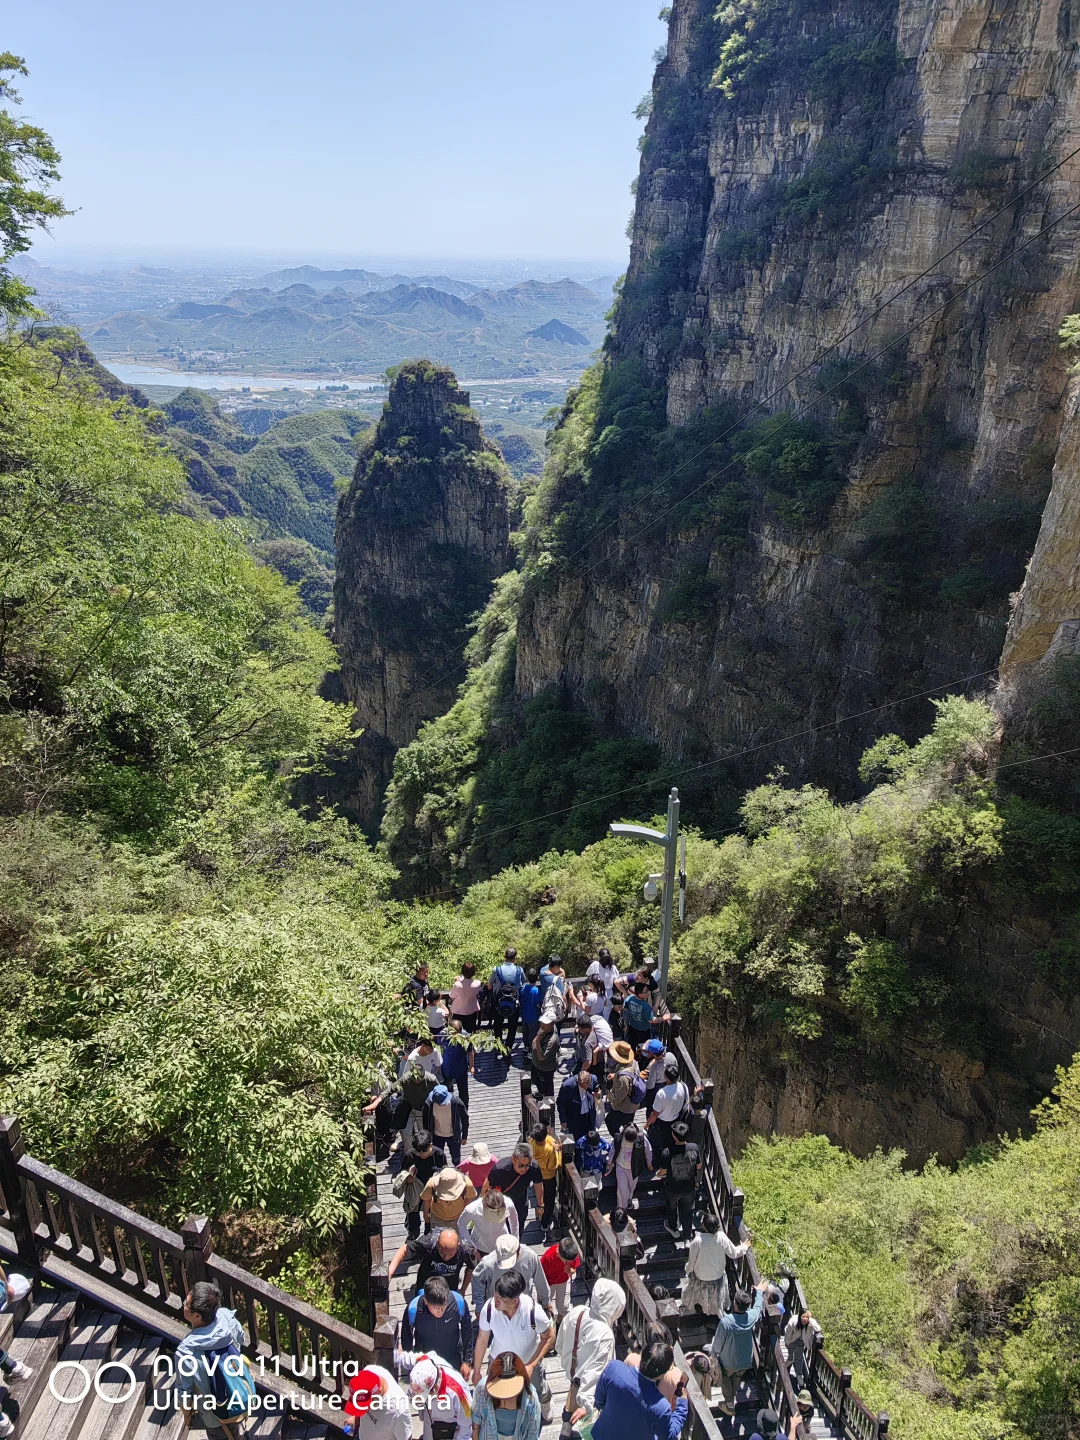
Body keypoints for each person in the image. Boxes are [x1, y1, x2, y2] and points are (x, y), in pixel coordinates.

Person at [474, 1273, 555, 1424]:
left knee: (537, 1389)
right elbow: (482, 1339)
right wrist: (477, 1371)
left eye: (502, 1299)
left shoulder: (533, 1312)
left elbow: (549, 1337)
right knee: (495, 1395)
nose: (496, 1301)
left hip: (528, 1361)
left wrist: (531, 1364)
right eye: (496, 1295)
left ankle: (546, 1400)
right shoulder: (489, 1309)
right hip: (499, 1360)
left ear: (515, 1301)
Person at [175, 1280, 247, 1434]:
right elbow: (241, 1338)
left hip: (214, 1415)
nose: (183, 1306)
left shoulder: (187, 1351)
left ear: (196, 1316)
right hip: (239, 1393)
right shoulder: (227, 1318)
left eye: (185, 1304)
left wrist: (187, 1415)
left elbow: (184, 1391)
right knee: (236, 1430)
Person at [554, 1278, 626, 1427]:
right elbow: (596, 1372)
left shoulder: (578, 1311)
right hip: (590, 1393)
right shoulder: (606, 1334)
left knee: (570, 1405)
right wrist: (588, 1405)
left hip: (573, 1375)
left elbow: (560, 1343)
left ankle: (566, 1428)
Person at [591, 1345, 688, 1440]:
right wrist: (682, 1405)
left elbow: (599, 1400)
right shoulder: (661, 1407)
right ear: (662, 1373)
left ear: (642, 1356)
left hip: (601, 1434)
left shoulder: (613, 1368)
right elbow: (668, 1435)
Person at [709, 1281, 768, 1415]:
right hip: (746, 1360)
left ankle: (729, 1404)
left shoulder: (726, 1322)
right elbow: (758, 1307)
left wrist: (713, 1355)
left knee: (725, 1378)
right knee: (737, 1376)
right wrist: (759, 1292)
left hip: (728, 1361)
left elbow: (717, 1345)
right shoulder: (751, 1317)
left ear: (735, 1303)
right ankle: (732, 1398)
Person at [399, 1276, 474, 1379]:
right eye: (436, 1307)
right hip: (425, 1360)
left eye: (444, 1306)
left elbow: (467, 1331)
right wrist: (411, 1365)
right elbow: (406, 1338)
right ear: (426, 1301)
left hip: (453, 1357)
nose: (440, 1311)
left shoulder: (458, 1302)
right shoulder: (413, 1309)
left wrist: (467, 1361)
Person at [683, 1212, 750, 1318]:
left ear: (703, 1225)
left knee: (700, 1297)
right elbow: (734, 1253)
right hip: (717, 1276)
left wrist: (689, 1270)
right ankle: (715, 1312)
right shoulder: (721, 1237)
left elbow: (692, 1261)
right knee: (717, 1298)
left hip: (702, 1276)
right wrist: (744, 1247)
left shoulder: (698, 1240)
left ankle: (702, 1310)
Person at [471, 1234, 551, 1312]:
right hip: (497, 1308)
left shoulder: (531, 1257)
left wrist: (546, 1302)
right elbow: (477, 1280)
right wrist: (479, 1306)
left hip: (523, 1306)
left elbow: (540, 1280)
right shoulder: (487, 1263)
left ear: (518, 1250)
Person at [471, 1352, 542, 1440]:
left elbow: (533, 1432)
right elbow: (476, 1416)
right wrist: (475, 1433)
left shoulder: (531, 1397)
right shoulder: (482, 1388)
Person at [387, 1227, 478, 1294]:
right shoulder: (428, 1243)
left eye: (450, 1253)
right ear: (437, 1243)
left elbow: (470, 1268)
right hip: (425, 1285)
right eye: (442, 1252)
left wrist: (463, 1289)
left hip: (449, 1287)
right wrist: (390, 1273)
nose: (445, 1257)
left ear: (458, 1246)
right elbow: (404, 1250)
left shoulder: (466, 1250)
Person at [393, 1129, 447, 1239]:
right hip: (415, 1188)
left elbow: (444, 1172)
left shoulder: (439, 1154)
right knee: (413, 1215)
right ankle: (412, 1233)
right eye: (419, 1152)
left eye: (425, 1151)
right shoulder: (409, 1155)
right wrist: (408, 1177)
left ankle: (429, 1233)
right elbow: (401, 1174)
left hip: (432, 1189)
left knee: (431, 1215)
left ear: (430, 1145)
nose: (422, 1154)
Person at [408, 1354, 474, 1440]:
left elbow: (466, 1426)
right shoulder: (422, 1363)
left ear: (435, 1387)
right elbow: (405, 1357)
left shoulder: (459, 1393)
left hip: (452, 1429)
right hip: (429, 1421)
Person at [344, 1365, 413, 1440]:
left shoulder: (399, 1411)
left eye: (366, 1406)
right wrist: (355, 1418)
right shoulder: (369, 1371)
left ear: (379, 1391)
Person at [487, 1144, 543, 1236]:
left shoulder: (534, 1167)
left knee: (520, 1224)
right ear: (513, 1159)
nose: (524, 1169)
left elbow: (538, 1183)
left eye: (527, 1165)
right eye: (521, 1165)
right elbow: (489, 1187)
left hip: (520, 1200)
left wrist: (540, 1204)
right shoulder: (499, 1170)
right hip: (502, 1202)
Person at [658, 1122, 699, 1240]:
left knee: (671, 1208)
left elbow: (663, 1172)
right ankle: (687, 1236)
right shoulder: (694, 1148)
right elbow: (699, 1166)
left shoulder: (667, 1152)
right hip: (689, 1186)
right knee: (688, 1212)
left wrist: (658, 1174)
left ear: (674, 1136)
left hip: (672, 1187)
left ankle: (674, 1229)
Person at [646, 1059, 689, 1159]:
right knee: (671, 1141)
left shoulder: (662, 1093)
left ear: (666, 1078)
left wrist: (646, 1125)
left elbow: (655, 1114)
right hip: (676, 1120)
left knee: (660, 1142)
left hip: (663, 1123)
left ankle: (661, 1160)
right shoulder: (683, 1086)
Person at [458, 1186, 520, 1256]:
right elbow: (461, 1224)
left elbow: (514, 1222)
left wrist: (515, 1241)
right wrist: (470, 1245)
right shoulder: (472, 1209)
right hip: (480, 1246)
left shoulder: (508, 1203)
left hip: (502, 1243)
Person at [605, 1041, 646, 1145]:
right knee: (627, 1124)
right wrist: (616, 1075)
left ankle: (620, 1142)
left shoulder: (623, 1077)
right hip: (633, 1104)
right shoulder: (634, 1063)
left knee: (610, 1123)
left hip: (624, 1107)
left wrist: (608, 1094)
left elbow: (618, 1097)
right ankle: (628, 1140)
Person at [422, 1084, 470, 1166]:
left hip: (453, 1135)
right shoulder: (429, 1103)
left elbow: (465, 1118)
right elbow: (425, 1120)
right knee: (438, 1159)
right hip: (437, 1135)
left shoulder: (456, 1102)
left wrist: (464, 1136)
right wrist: (428, 1139)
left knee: (456, 1159)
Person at [398, 1057, 439, 1149]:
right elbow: (392, 1088)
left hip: (423, 1111)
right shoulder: (406, 1078)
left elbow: (438, 1091)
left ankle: (424, 1150)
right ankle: (409, 1153)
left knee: (423, 1133)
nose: (417, 1081)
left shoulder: (431, 1079)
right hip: (409, 1109)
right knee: (405, 1132)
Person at [529, 1123, 562, 1236]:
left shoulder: (532, 1143)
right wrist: (558, 1152)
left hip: (536, 1174)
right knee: (549, 1201)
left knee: (539, 1196)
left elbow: (545, 1139)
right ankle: (544, 1223)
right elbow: (553, 1165)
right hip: (548, 1176)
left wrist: (551, 1142)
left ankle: (539, 1213)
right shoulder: (549, 1150)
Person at [610, 1122, 652, 1211]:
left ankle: (628, 1200)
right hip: (621, 1167)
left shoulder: (641, 1139)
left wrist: (649, 1163)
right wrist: (609, 1162)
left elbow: (648, 1150)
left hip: (635, 1168)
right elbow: (612, 1151)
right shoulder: (619, 1138)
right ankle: (621, 1209)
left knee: (631, 1187)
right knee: (622, 1189)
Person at [490, 947, 526, 1050]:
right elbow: (523, 983)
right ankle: (508, 1047)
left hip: (498, 1002)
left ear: (504, 956)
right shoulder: (519, 970)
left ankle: (499, 1046)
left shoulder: (496, 970)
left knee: (498, 1025)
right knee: (512, 1025)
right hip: (514, 1002)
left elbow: (490, 985)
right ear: (515, 958)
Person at [539, 1236, 580, 1322]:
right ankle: (546, 1322)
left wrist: (571, 1271)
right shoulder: (548, 1258)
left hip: (563, 1280)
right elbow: (540, 1274)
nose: (568, 1262)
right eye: (566, 1261)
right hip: (548, 1282)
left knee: (564, 1306)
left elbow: (574, 1268)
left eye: (570, 1261)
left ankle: (560, 1321)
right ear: (558, 1253)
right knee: (544, 1304)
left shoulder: (572, 1255)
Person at [783, 1307, 822, 1386]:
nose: (805, 1319)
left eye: (806, 1317)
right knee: (791, 1357)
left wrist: (810, 1319)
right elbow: (788, 1332)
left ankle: (799, 1375)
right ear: (800, 1316)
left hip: (801, 1342)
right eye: (803, 1316)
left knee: (799, 1358)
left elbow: (818, 1328)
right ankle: (784, 1368)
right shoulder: (793, 1321)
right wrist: (787, 1342)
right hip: (792, 1340)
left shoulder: (810, 1322)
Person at [557, 1069, 599, 1143]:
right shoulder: (567, 1086)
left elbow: (598, 1090)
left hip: (589, 1116)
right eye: (585, 1085)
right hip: (575, 1118)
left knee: (591, 1140)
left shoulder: (593, 1078)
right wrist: (563, 1119)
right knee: (577, 1141)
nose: (588, 1087)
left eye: (589, 1084)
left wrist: (598, 1094)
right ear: (579, 1083)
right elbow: (561, 1103)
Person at [529, 1014, 560, 1099]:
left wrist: (538, 1041)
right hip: (536, 1064)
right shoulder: (544, 1027)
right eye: (541, 1022)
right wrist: (536, 1040)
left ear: (552, 1024)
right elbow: (534, 1040)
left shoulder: (552, 1040)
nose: (541, 1025)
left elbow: (541, 1057)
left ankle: (549, 1107)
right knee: (536, 1081)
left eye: (545, 1023)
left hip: (545, 1068)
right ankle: (540, 1093)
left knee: (547, 1089)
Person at [450, 962, 484, 1032]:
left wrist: (456, 981)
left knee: (457, 1032)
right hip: (471, 1011)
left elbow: (451, 995)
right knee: (470, 1032)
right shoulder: (477, 984)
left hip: (458, 1011)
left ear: (462, 971)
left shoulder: (457, 985)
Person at [640, 1040, 670, 1118]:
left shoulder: (654, 1067)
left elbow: (650, 1085)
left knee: (651, 1108)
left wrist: (644, 1082)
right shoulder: (670, 1056)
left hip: (656, 1089)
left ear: (652, 1053)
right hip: (668, 1086)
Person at [622, 982, 655, 1051]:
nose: (648, 993)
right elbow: (651, 1020)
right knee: (644, 1048)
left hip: (632, 1027)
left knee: (632, 1046)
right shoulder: (646, 1006)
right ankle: (642, 1060)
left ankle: (632, 1058)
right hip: (643, 1031)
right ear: (640, 994)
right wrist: (665, 1017)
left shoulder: (630, 998)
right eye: (646, 992)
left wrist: (626, 1024)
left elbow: (625, 1008)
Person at [519, 967, 543, 1052]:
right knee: (533, 1033)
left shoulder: (524, 988)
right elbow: (538, 1004)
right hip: (533, 1016)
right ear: (537, 978)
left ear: (527, 977)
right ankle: (532, 1050)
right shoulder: (536, 991)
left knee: (525, 1032)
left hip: (524, 1015)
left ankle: (526, 1046)